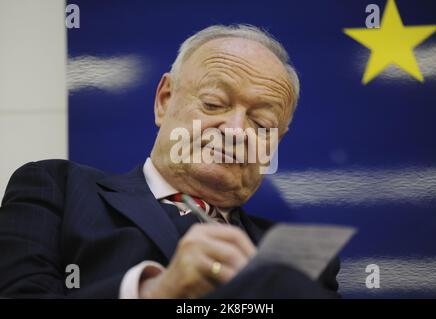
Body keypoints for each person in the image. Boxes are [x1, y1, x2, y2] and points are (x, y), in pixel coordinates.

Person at [0, 24, 339, 299]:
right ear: (164, 100)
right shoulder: (57, 190)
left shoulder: (303, 259)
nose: (236, 131)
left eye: (262, 124)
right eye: (213, 103)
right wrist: (153, 293)